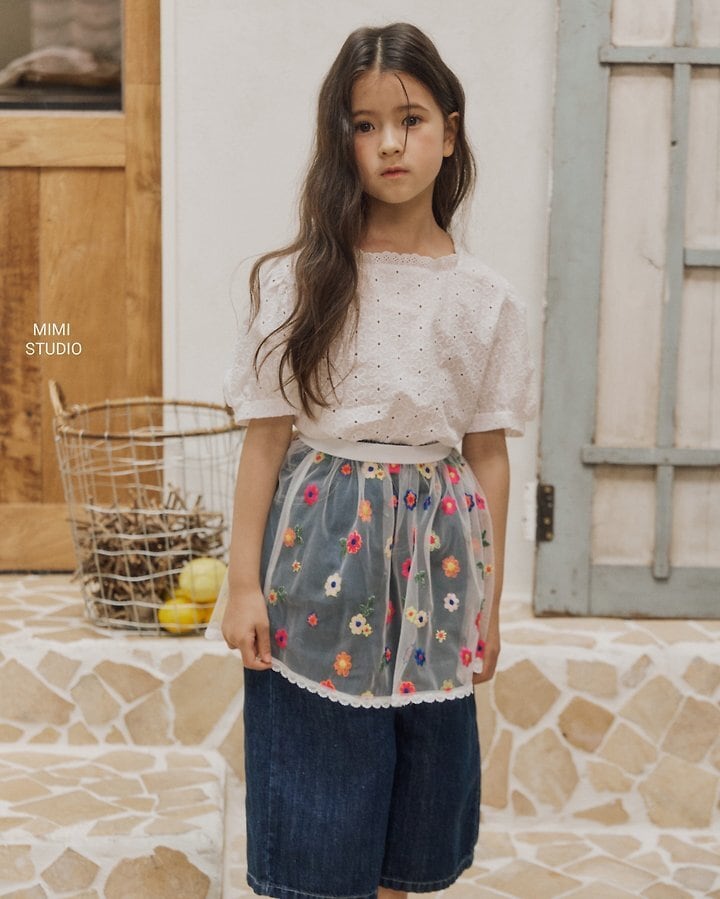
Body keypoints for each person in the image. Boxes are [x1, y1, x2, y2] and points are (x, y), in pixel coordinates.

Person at [205, 21, 535, 899]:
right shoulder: (298, 281)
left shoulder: (487, 299)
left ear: (449, 134)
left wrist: (491, 603)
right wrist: (243, 585)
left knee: (419, 799)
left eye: (411, 119)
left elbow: (489, 456)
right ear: (340, 139)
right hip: (317, 557)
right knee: (320, 781)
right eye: (364, 124)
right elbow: (266, 440)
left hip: (440, 570)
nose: (389, 142)